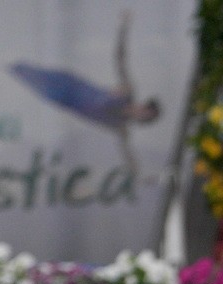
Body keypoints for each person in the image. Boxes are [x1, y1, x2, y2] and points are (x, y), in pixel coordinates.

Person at [10, 11, 160, 173]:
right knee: (20, 67)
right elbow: (120, 58)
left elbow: (128, 154)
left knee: (22, 76)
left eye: (145, 116)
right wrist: (124, 27)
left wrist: (138, 172)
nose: (141, 112)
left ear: (142, 120)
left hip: (61, 98)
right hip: (69, 83)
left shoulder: (120, 126)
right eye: (146, 109)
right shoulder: (127, 92)